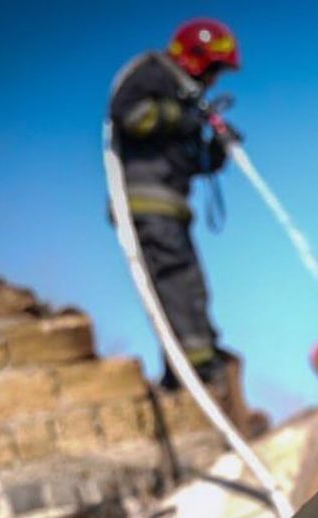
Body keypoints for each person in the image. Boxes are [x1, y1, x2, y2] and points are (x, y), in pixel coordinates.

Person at [109, 18, 241, 396]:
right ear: (195, 59)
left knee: (192, 287)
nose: (213, 82)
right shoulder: (153, 73)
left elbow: (189, 161)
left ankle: (190, 365)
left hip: (170, 208)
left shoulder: (183, 98)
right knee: (176, 282)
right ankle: (195, 366)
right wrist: (185, 118)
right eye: (213, 70)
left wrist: (217, 149)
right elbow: (131, 116)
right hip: (146, 205)